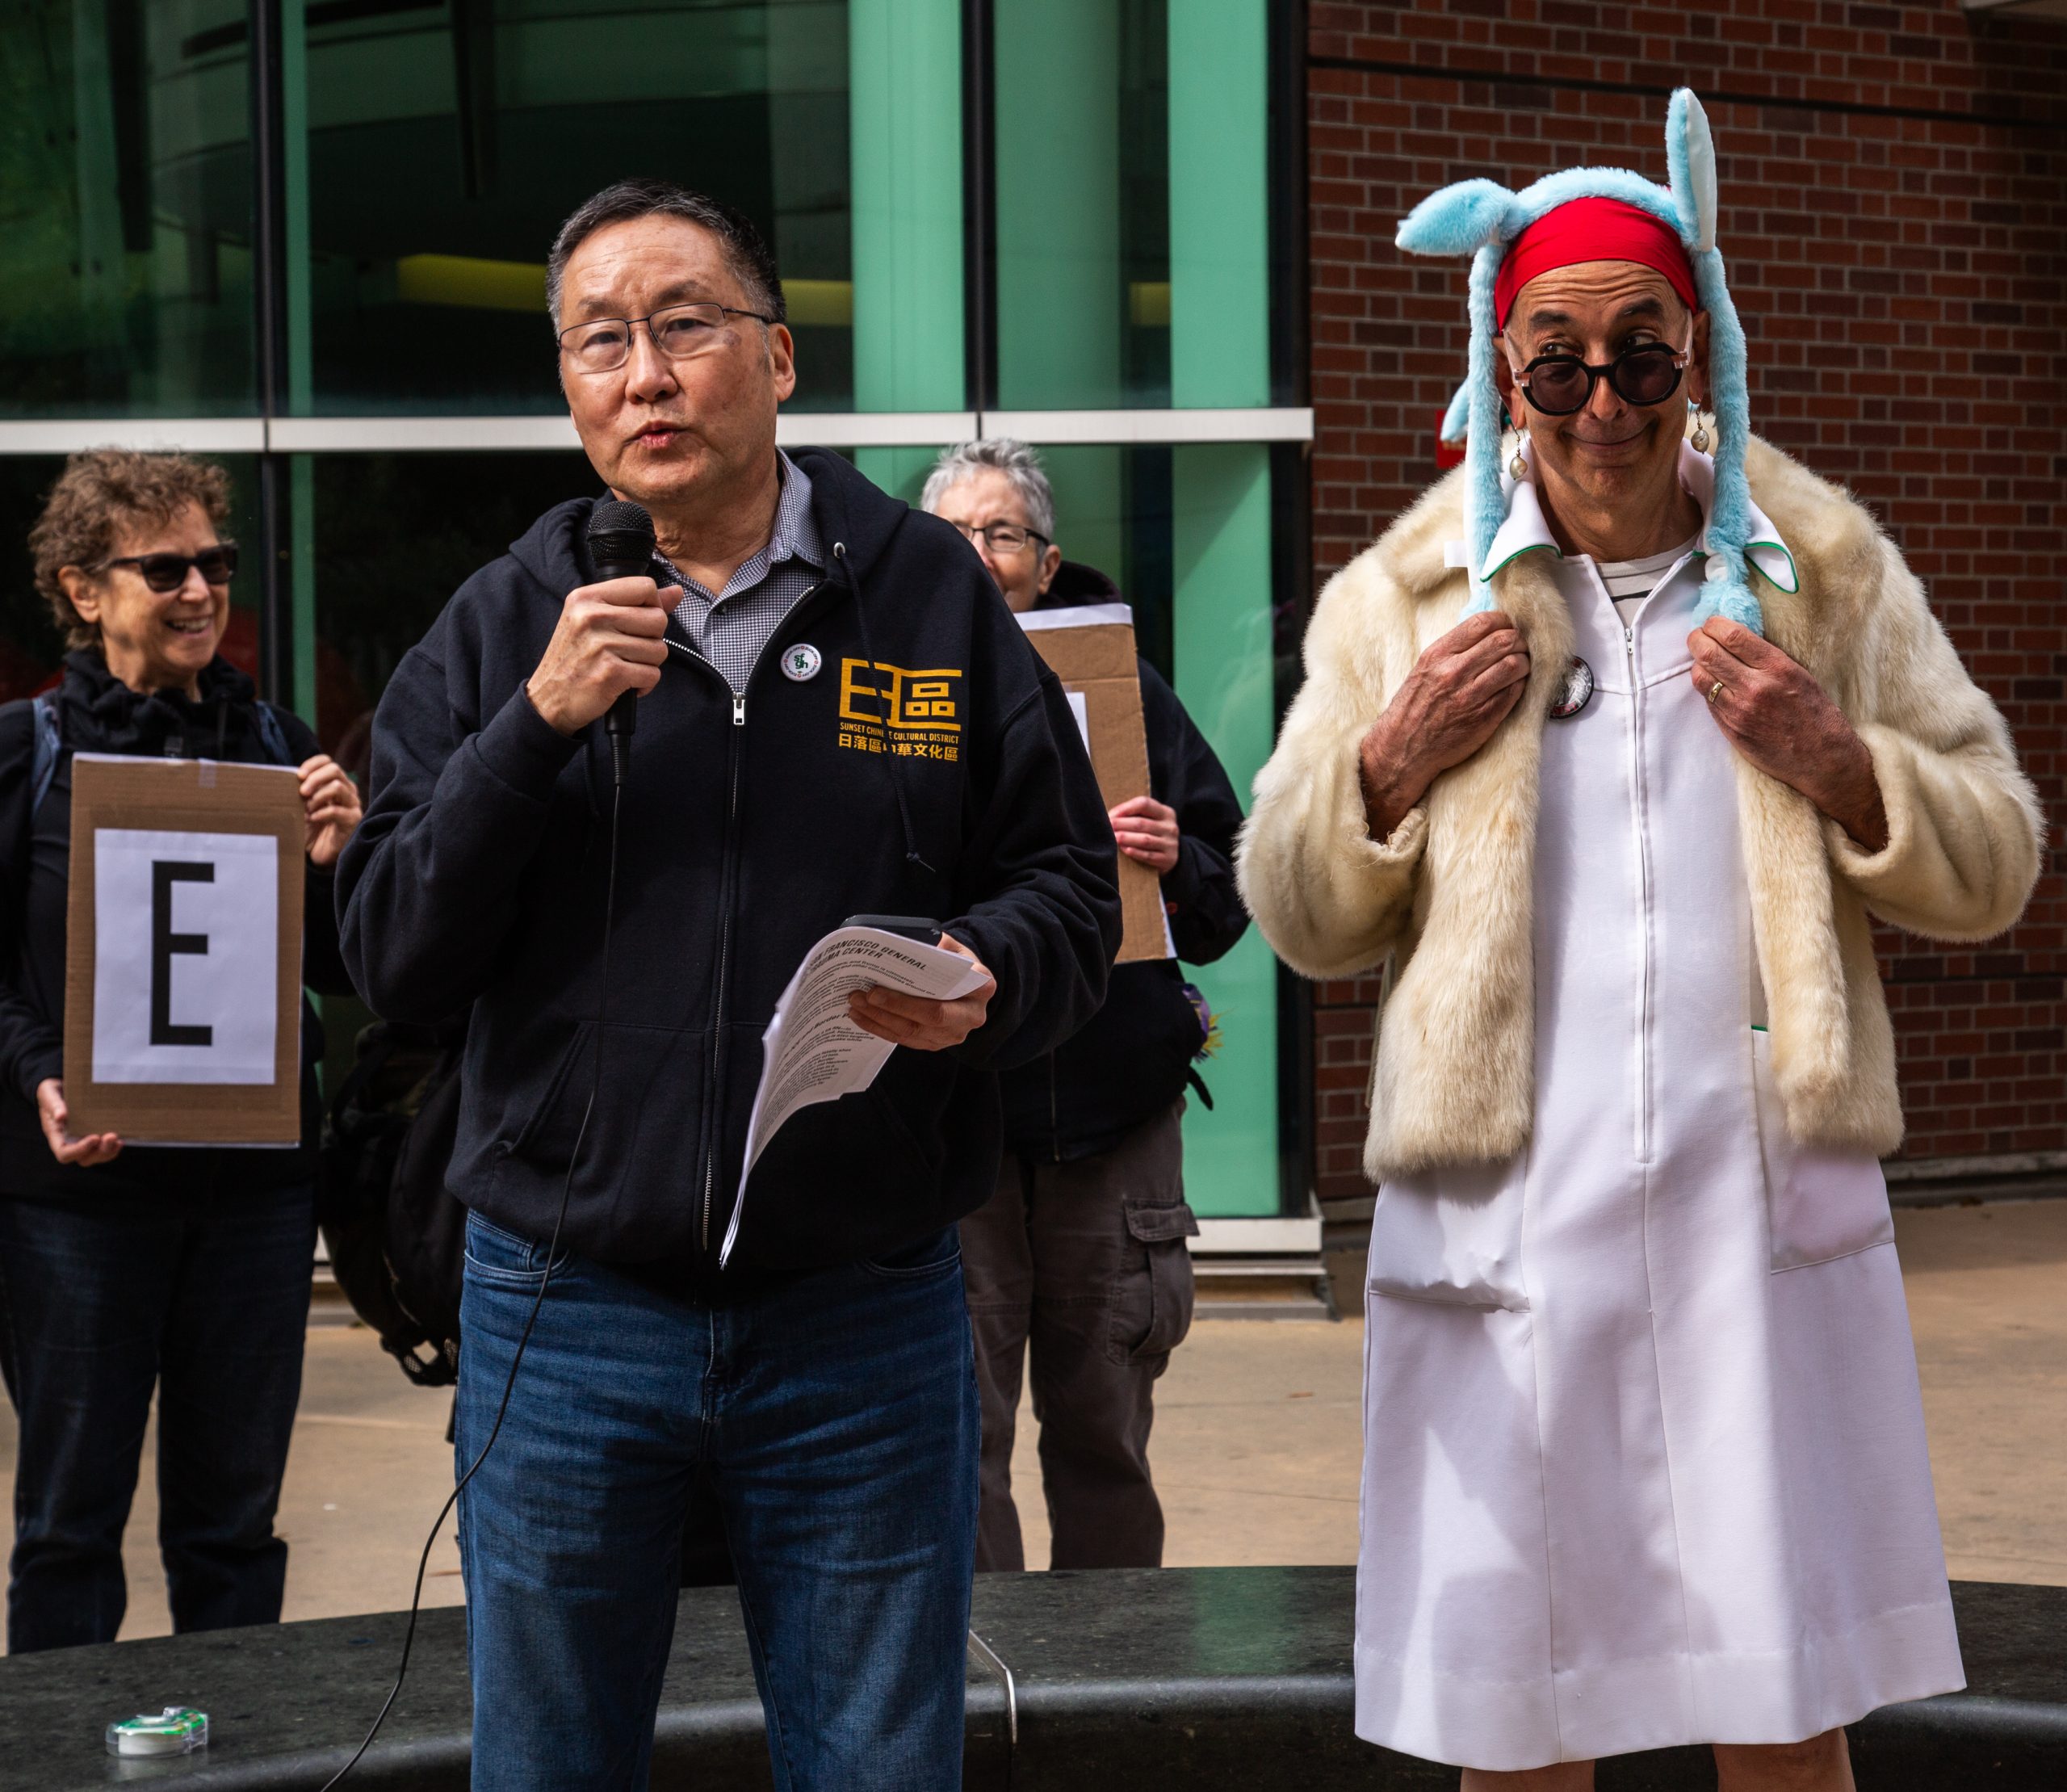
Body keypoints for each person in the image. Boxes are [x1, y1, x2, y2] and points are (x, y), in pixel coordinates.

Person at [1238, 93, 2042, 1790]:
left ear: (1702, 355)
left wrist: (1847, 766)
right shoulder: (1405, 602)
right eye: (1556, 364)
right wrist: (1387, 767)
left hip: (1752, 1226)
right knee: (1514, 1725)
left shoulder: (1818, 574)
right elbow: (1296, 915)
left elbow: (1995, 861)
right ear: (1501, 364)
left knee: (1782, 1713)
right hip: (1510, 1233)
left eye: (1640, 358)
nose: (1600, 404)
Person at [334, 182, 1119, 1791]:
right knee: (550, 1765)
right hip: (565, 1318)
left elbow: (1071, 884)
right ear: (569, 389)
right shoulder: (506, 624)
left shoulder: (926, 595)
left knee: (879, 1766)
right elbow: (392, 952)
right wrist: (534, 730)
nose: (645, 374)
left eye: (683, 326)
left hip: (864, 1312)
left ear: (776, 358)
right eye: (599, 342)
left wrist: (989, 972)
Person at [0, 449, 363, 1652]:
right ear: (83, 589)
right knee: (68, 1526)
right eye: (164, 569)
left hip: (253, 1200)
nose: (201, 589)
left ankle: (235, 1741)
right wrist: (40, 1072)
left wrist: (342, 862)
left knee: (234, 1528)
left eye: (216, 562)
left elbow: (342, 974)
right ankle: (60, 1747)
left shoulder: (278, 746)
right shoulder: (27, 754)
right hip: (78, 1203)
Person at [920, 439, 1247, 1572]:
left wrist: (1177, 857)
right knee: (960, 1441)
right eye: (955, 534)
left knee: (1105, 1433)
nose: (979, 554)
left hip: (1112, 1124)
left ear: (1048, 563)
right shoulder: (900, 696)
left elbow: (1228, 894)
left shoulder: (1127, 694)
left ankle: (1119, 1667)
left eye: (1003, 533)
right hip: (959, 1124)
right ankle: (986, 1666)